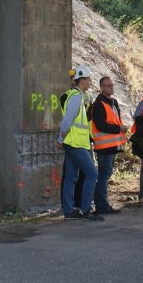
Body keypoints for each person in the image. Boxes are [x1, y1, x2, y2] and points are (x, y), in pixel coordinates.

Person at [58, 66, 103, 221]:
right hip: (75, 143)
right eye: (88, 79)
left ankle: (69, 211)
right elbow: (67, 121)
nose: (90, 82)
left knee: (71, 177)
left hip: (73, 143)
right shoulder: (76, 97)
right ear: (81, 81)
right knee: (92, 173)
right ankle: (86, 209)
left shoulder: (75, 96)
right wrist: (60, 139)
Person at [91, 76, 125, 214]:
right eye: (108, 86)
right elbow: (100, 125)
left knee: (106, 174)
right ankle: (101, 205)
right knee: (104, 175)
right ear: (102, 88)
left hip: (112, 145)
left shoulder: (113, 102)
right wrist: (119, 129)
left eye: (112, 85)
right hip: (104, 146)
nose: (112, 87)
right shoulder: (99, 104)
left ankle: (102, 204)